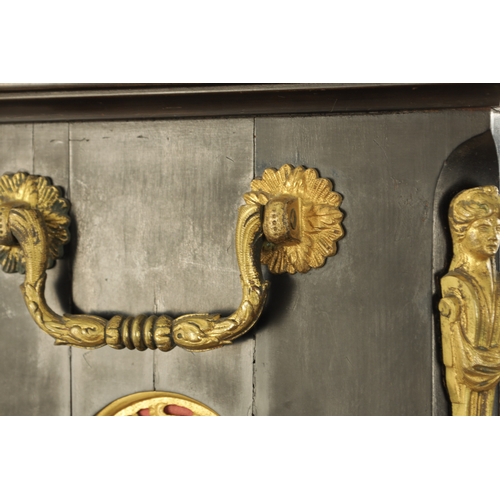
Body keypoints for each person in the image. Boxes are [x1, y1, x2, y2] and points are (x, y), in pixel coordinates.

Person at [440, 186, 500, 416]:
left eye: (497, 228)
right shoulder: (456, 284)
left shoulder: (495, 285)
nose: (494, 235)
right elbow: (470, 363)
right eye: (483, 227)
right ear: (461, 232)